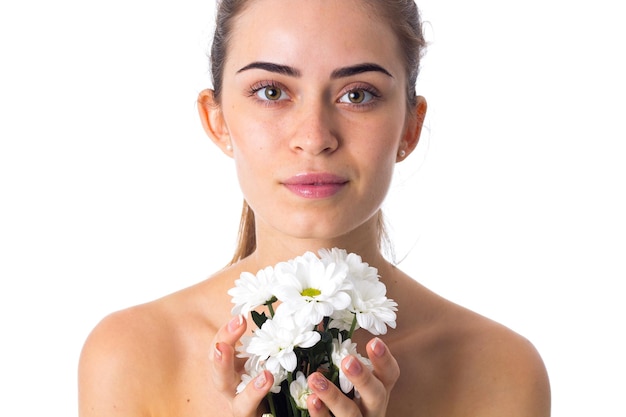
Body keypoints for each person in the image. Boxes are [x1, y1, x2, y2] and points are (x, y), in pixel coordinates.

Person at [78, 0, 551, 416]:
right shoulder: (130, 356)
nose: (314, 137)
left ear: (410, 127)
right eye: (271, 91)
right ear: (217, 119)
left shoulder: (500, 370)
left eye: (357, 94)